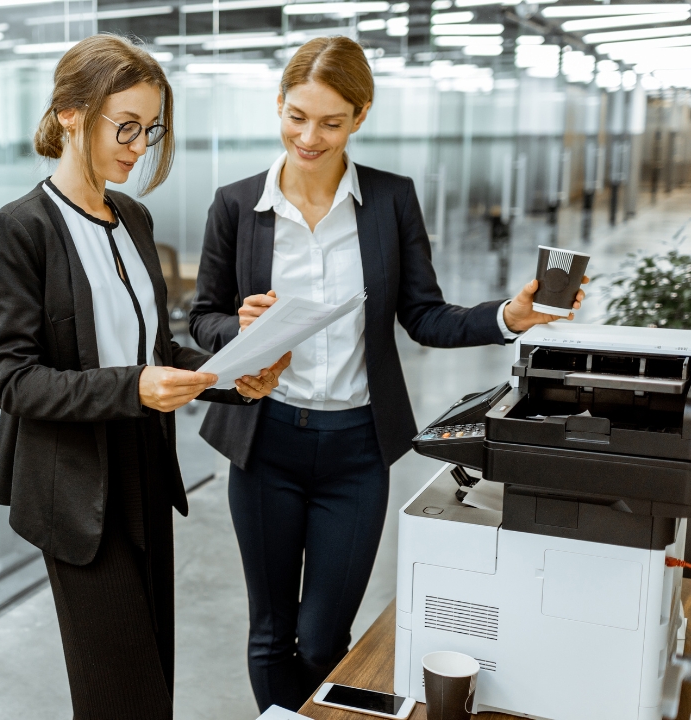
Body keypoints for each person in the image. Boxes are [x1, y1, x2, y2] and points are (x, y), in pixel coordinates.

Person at [189, 36, 588, 712]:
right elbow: (203, 318)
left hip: (355, 452)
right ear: (278, 107)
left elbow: (425, 316)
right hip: (265, 444)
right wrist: (239, 328)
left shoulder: (390, 200)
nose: (308, 137)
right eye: (295, 116)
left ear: (361, 115)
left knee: (322, 639)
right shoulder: (236, 205)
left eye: (330, 121)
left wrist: (511, 317)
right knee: (271, 632)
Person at [0, 34, 291, 720]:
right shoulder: (20, 229)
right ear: (70, 112)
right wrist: (134, 389)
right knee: (120, 695)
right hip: (76, 486)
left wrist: (228, 375)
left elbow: (158, 349)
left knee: (153, 679)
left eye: (151, 130)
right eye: (126, 126)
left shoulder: (135, 218)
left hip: (146, 471)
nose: (138, 146)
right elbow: (15, 381)